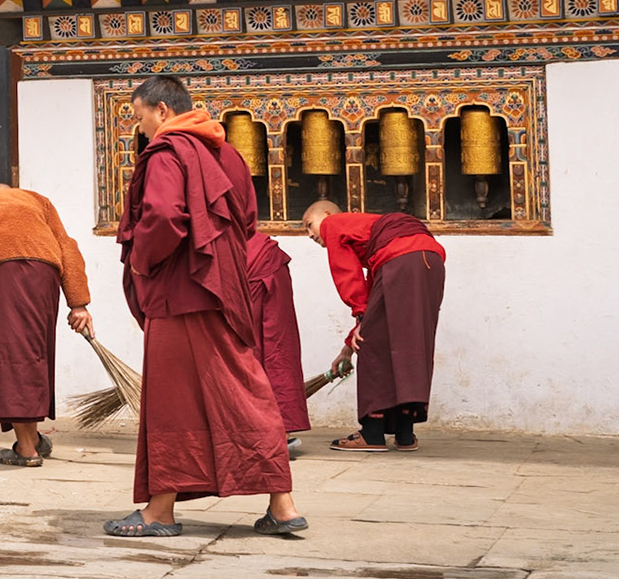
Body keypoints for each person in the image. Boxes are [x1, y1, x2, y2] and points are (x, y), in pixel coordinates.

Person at [108, 75, 306, 537]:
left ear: (161, 111)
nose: (141, 131)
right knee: (238, 387)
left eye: (139, 119)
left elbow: (161, 217)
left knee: (171, 401)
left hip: (181, 291)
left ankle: (160, 513)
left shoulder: (168, 152)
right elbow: (247, 219)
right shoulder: (228, 153)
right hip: (224, 287)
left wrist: (140, 262)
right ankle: (281, 504)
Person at [0, 184, 94, 466]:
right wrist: (79, 304)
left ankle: (26, 449)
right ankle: (34, 439)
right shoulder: (39, 201)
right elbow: (67, 247)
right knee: (33, 354)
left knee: (8, 357)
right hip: (45, 271)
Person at [301, 201, 446, 453]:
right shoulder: (374, 241)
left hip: (402, 260)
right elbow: (371, 300)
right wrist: (348, 348)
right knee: (409, 343)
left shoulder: (334, 224)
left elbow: (347, 274)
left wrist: (360, 320)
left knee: (373, 345)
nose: (310, 234)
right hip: (429, 261)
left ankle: (372, 432)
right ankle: (404, 431)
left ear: (326, 215)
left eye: (309, 225)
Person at [245, 233, 311, 455]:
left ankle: (269, 432)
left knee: (246, 350)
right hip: (258, 259)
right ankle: (277, 431)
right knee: (278, 347)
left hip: (247, 261)